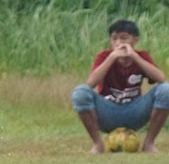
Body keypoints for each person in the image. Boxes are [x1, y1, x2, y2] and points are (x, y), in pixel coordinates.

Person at [71, 18, 169, 153]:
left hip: (134, 112)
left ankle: (149, 143)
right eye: (114, 39)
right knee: (80, 92)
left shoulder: (142, 56)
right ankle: (98, 144)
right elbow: (90, 84)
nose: (119, 43)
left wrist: (134, 57)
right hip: (107, 111)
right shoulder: (104, 56)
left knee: (166, 90)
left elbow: (161, 78)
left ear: (135, 41)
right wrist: (111, 58)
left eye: (124, 38)